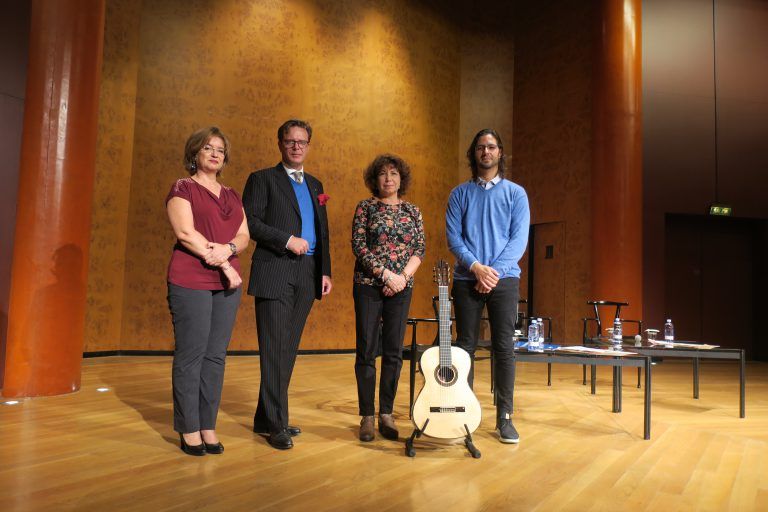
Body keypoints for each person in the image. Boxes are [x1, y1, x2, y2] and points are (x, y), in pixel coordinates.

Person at [242, 119, 332, 450]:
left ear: (309, 145)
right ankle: (276, 422)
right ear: (280, 143)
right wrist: (286, 240)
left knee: (288, 349)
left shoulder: (315, 184)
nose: (296, 146)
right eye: (290, 141)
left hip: (308, 275)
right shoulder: (261, 179)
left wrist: (325, 271)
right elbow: (249, 223)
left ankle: (266, 418)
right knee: (274, 349)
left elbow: (323, 231)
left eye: (302, 142)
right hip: (275, 270)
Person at [166, 126, 250, 456]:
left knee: (215, 357)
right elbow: (186, 233)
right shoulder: (182, 187)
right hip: (191, 278)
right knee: (191, 355)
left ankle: (207, 424)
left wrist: (228, 249)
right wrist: (222, 261)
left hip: (227, 284)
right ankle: (188, 428)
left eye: (220, 150)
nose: (215, 154)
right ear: (194, 154)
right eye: (207, 148)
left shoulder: (231, 194)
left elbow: (244, 235)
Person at [446, 128, 530, 444]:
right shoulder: (459, 194)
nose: (486, 152)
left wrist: (492, 272)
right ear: (474, 153)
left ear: (500, 153)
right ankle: (463, 411)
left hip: (504, 279)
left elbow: (518, 239)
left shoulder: (516, 194)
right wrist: (477, 268)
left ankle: (504, 418)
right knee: (465, 345)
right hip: (468, 278)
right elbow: (454, 238)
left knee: (503, 346)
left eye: (491, 147)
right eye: (481, 147)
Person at [351, 154, 425, 442]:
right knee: (367, 349)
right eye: (382, 174)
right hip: (369, 284)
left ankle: (386, 413)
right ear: (375, 179)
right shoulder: (366, 207)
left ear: (401, 179)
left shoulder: (413, 210)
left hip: (402, 287)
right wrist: (385, 275)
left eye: (393, 173)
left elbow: (420, 248)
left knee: (394, 351)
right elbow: (358, 245)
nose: (388, 178)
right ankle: (367, 415)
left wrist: (401, 278)